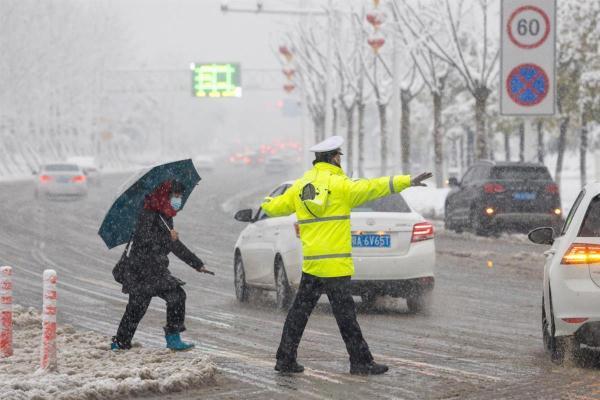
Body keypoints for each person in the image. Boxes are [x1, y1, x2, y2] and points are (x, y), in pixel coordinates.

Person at [261, 135, 432, 375]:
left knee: (298, 314)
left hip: (313, 265)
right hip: (336, 265)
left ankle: (285, 359)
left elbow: (275, 206)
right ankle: (360, 361)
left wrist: (266, 202)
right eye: (339, 156)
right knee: (346, 318)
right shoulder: (341, 186)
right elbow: (373, 187)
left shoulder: (300, 187)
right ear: (333, 158)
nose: (340, 160)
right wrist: (406, 181)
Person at [111, 180, 213, 351]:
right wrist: (168, 238)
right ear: (166, 195)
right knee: (140, 307)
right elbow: (143, 240)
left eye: (180, 196)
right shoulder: (149, 212)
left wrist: (197, 264)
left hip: (155, 269)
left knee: (170, 298)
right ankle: (122, 342)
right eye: (176, 196)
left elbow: (174, 245)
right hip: (142, 270)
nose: (178, 200)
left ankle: (170, 338)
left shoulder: (164, 214)